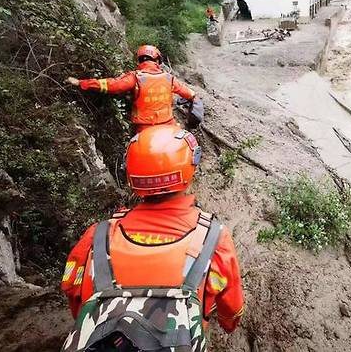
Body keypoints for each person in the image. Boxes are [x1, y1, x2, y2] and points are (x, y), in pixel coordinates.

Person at [61, 125, 244, 352]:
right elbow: (231, 310)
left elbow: (75, 300)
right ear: (189, 171)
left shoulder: (96, 237)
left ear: (131, 175)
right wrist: (226, 322)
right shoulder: (214, 239)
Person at [66, 45, 203, 131]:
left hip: (143, 128)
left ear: (140, 60)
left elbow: (112, 85)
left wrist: (83, 83)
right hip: (168, 125)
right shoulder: (168, 78)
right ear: (157, 61)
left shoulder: (135, 77)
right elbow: (190, 94)